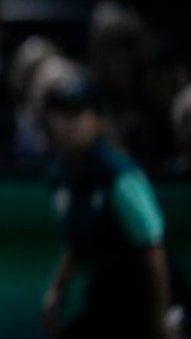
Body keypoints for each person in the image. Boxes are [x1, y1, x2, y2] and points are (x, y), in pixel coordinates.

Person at [37, 62, 185, 339]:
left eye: (77, 114)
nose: (68, 124)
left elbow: (153, 251)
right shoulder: (61, 176)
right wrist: (56, 290)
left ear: (96, 120)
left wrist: (161, 318)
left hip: (150, 299)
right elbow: (78, 240)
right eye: (60, 114)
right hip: (109, 298)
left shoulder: (120, 177)